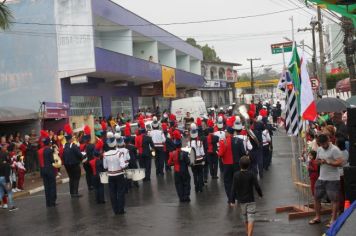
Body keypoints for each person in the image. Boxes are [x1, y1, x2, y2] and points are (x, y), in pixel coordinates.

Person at [309, 134, 343, 227]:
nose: (323, 146)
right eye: (321, 144)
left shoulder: (335, 149)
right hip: (321, 177)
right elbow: (316, 161)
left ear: (328, 140)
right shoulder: (320, 149)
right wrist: (319, 162)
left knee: (334, 200)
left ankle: (333, 220)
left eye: (324, 143)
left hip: (333, 179)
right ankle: (317, 217)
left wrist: (329, 162)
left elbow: (340, 163)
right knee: (316, 197)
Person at [231, 156, 263, 236]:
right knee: (251, 218)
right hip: (251, 200)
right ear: (249, 165)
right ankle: (249, 234)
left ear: (239, 165)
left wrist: (232, 200)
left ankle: (248, 233)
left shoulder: (236, 175)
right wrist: (260, 194)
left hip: (242, 201)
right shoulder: (251, 174)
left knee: (246, 219)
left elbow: (233, 188)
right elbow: (257, 186)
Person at [218, 116, 247, 205]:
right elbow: (243, 153)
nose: (225, 133)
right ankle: (238, 197)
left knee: (228, 182)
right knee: (237, 181)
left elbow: (220, 154)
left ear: (228, 133)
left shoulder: (223, 142)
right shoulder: (239, 140)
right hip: (237, 164)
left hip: (227, 165)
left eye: (226, 131)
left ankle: (231, 200)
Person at [103, 134, 129, 215]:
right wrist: (126, 164)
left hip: (110, 175)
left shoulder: (105, 154)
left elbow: (105, 166)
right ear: (115, 144)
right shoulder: (119, 153)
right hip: (119, 174)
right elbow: (122, 165)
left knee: (112, 193)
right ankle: (121, 209)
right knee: (120, 192)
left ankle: (115, 210)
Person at [168, 130, 191, 202]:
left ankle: (181, 197)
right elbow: (188, 162)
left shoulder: (172, 153)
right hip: (184, 170)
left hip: (177, 171)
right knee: (186, 183)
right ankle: (186, 196)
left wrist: (174, 163)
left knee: (179, 184)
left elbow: (169, 163)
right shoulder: (185, 152)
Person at [63, 124, 83, 198]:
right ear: (70, 139)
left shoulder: (65, 146)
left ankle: (72, 193)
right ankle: (75, 193)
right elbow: (79, 155)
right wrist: (82, 158)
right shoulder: (73, 146)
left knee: (71, 178)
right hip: (74, 164)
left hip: (67, 165)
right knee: (76, 178)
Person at [38, 130, 57, 207]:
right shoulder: (49, 150)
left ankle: (48, 203)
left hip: (43, 170)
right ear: (49, 142)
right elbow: (52, 160)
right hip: (49, 170)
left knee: (46, 187)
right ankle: (52, 202)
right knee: (52, 186)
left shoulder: (39, 151)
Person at [188, 123, 205, 193]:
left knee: (194, 174)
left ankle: (196, 187)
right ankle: (200, 188)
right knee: (200, 174)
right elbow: (202, 152)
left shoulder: (189, 143)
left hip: (193, 161)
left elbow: (189, 153)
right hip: (200, 160)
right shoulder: (199, 142)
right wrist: (203, 158)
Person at [0, 144, 18, 211]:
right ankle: (12, 207)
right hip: (4, 178)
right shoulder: (6, 164)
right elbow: (7, 174)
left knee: (1, 192)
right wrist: (8, 182)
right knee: (9, 192)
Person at [89, 139, 105, 204]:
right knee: (101, 187)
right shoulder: (100, 162)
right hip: (100, 175)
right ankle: (102, 200)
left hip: (94, 175)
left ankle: (97, 200)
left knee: (96, 188)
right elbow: (103, 169)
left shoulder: (91, 162)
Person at [336, 136, 349, 213]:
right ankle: (343, 207)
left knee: (340, 192)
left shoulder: (338, 153)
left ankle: (341, 208)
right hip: (344, 172)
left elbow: (338, 164)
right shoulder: (346, 152)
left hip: (339, 173)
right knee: (344, 191)